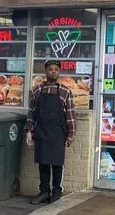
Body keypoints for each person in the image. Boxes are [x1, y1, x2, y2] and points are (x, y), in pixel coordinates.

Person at [25, 60, 76, 205]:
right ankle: (44, 191)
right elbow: (32, 112)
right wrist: (29, 130)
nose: (53, 71)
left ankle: (56, 191)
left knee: (57, 164)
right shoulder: (36, 90)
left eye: (56, 70)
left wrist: (71, 134)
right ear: (45, 72)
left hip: (58, 132)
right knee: (43, 163)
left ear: (58, 72)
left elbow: (70, 114)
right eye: (50, 69)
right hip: (41, 131)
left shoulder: (65, 91)